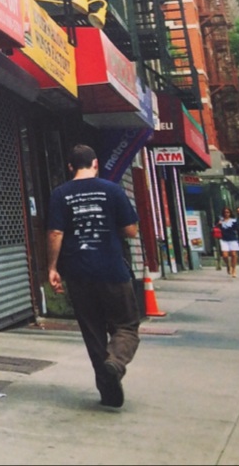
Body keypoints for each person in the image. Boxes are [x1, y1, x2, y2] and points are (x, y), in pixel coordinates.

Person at [47, 143, 140, 409]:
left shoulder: (60, 194)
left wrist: (52, 268)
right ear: (96, 163)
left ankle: (108, 392)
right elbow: (131, 230)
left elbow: (55, 233)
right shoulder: (112, 190)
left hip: (78, 274)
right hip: (112, 270)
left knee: (93, 333)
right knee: (126, 325)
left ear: (69, 167)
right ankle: (116, 362)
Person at [217, 208, 239, 277]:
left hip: (232, 239)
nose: (226, 214)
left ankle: (234, 269)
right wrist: (218, 224)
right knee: (225, 255)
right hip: (224, 239)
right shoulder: (220, 220)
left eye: (228, 212)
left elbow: (238, 229)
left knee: (233, 254)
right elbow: (215, 229)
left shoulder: (234, 221)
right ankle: (228, 265)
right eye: (225, 212)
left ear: (230, 213)